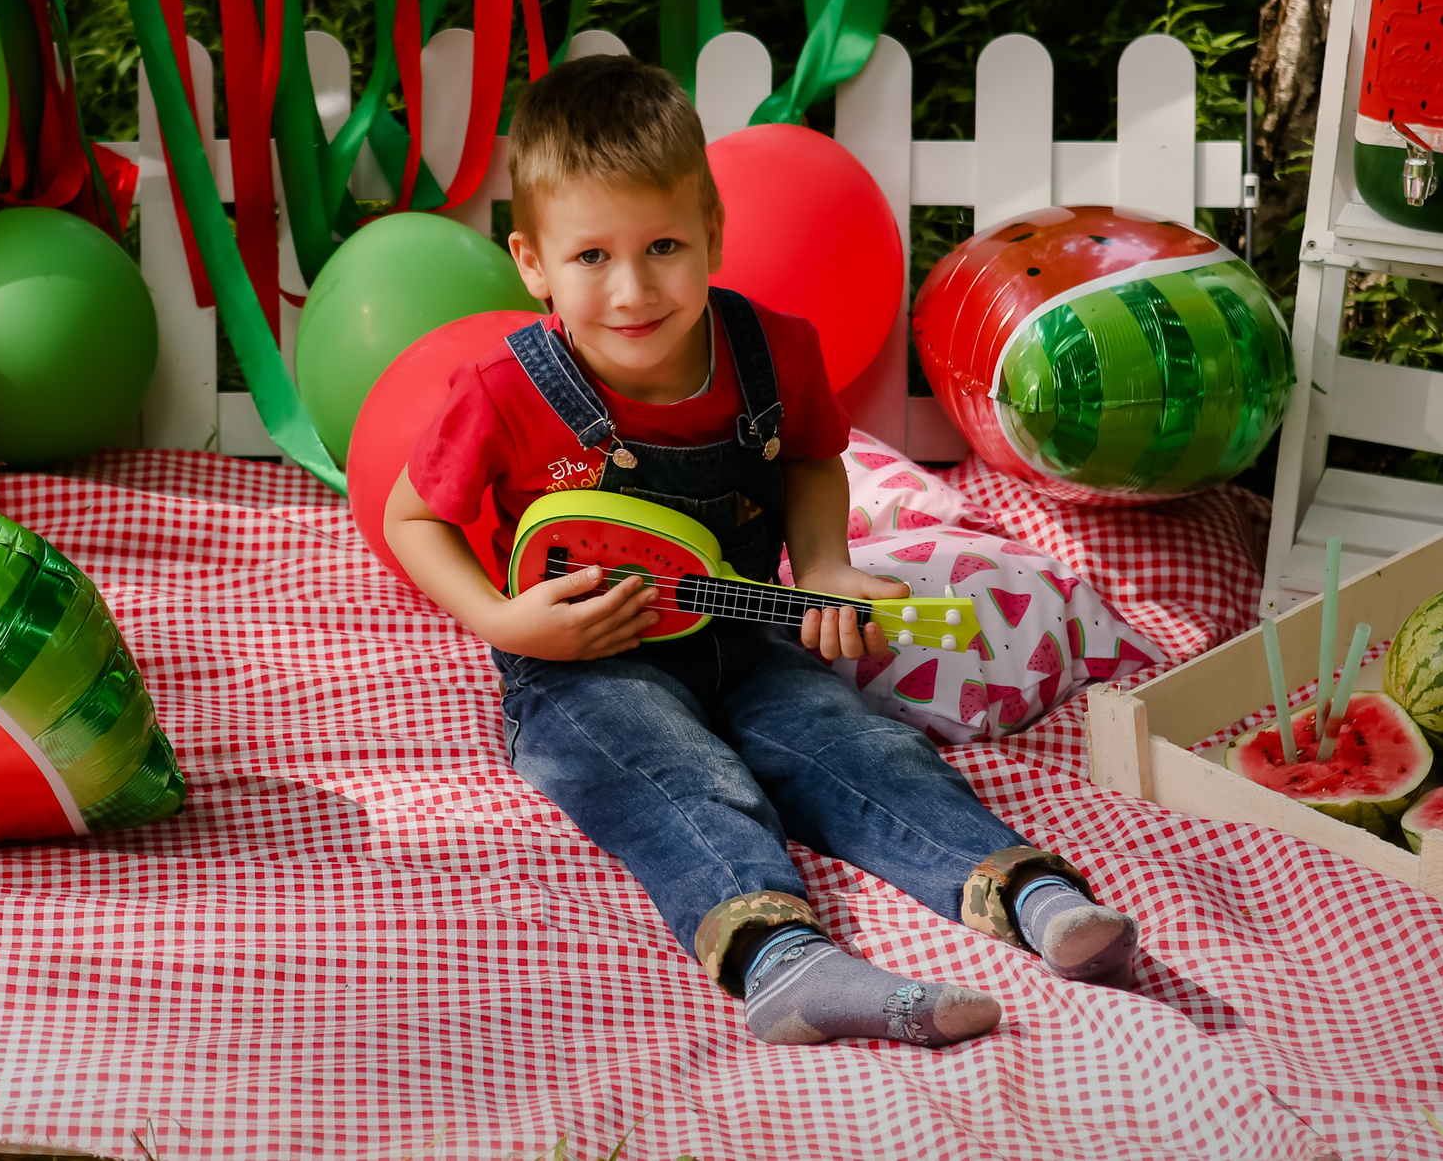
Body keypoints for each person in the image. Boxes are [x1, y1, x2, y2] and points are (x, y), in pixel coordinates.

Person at [383, 54, 1138, 1047]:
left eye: (661, 246)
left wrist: (822, 567)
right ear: (531, 263)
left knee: (856, 743)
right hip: (579, 664)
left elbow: (817, 462)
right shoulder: (500, 387)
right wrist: (498, 619)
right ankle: (783, 961)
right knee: (675, 772)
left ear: (711, 232)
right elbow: (411, 518)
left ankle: (1028, 893)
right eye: (590, 258)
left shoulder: (770, 348)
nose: (632, 289)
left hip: (744, 633)